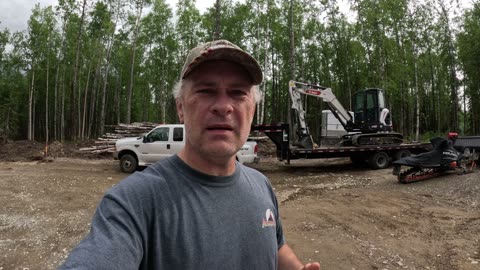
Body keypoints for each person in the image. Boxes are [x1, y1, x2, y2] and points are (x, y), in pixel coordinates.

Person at [59, 39, 320, 270]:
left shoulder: (261, 185)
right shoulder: (133, 202)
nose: (223, 106)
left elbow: (275, 248)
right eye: (206, 91)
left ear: (252, 109)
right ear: (181, 108)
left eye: (238, 93)